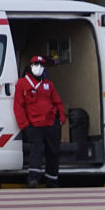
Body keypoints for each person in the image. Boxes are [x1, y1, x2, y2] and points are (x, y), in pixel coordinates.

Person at [14, 55, 66, 189]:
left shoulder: (48, 84)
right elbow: (18, 106)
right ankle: (33, 179)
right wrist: (24, 125)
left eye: (41, 65)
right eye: (36, 64)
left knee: (53, 152)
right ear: (30, 66)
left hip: (50, 124)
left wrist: (61, 119)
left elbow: (57, 101)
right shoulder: (22, 83)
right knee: (36, 151)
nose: (39, 67)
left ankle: (52, 180)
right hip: (34, 125)